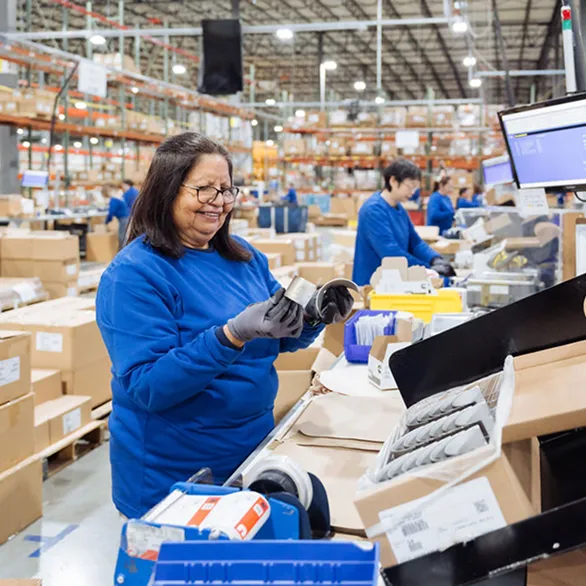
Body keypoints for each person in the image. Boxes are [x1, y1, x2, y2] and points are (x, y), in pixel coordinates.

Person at [96, 132, 353, 519]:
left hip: (251, 452)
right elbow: (149, 386)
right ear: (167, 190)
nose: (218, 202)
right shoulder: (135, 275)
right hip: (176, 477)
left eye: (226, 189)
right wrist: (230, 336)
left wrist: (315, 315)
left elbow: (277, 338)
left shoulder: (245, 259)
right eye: (204, 190)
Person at [353, 159, 455, 286]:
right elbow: (391, 253)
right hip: (373, 287)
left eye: (415, 188)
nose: (413, 193)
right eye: (410, 187)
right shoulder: (373, 210)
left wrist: (435, 259)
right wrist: (426, 269)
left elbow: (415, 242)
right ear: (393, 181)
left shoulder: (398, 208)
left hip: (395, 283)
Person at [103, 184, 130, 248]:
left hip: (123, 218)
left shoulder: (114, 199)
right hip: (126, 217)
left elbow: (111, 212)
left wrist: (107, 221)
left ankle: (123, 251)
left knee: (122, 236)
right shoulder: (118, 196)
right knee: (123, 235)